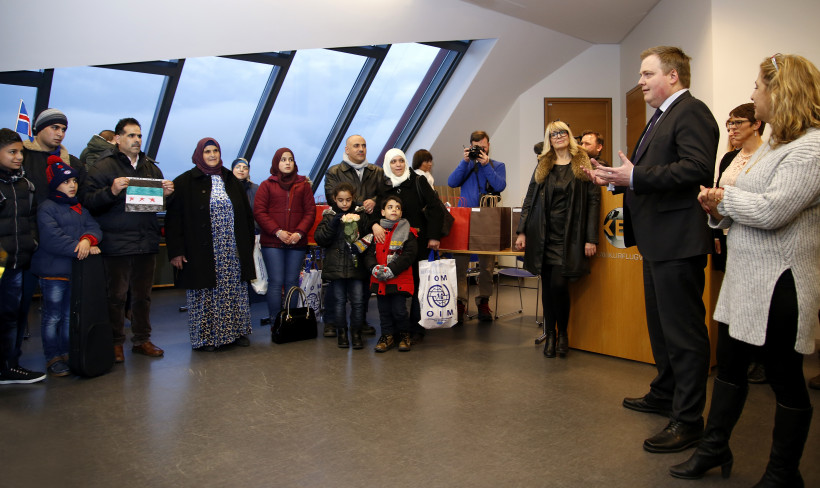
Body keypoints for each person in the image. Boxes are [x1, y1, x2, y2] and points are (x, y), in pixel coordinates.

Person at [670, 53, 820, 486]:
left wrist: (722, 202)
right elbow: (742, 202)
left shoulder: (812, 147)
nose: (753, 95)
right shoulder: (772, 143)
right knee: (731, 368)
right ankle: (714, 449)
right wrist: (719, 209)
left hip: (782, 282)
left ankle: (783, 473)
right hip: (745, 278)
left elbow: (775, 210)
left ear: (781, 91)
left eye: (758, 86)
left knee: (785, 378)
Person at [586, 46, 719, 453]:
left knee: (683, 333)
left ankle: (689, 420)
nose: (640, 82)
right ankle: (665, 392)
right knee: (662, 328)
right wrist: (619, 179)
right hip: (659, 240)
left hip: (678, 240)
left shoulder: (691, 112)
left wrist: (636, 176)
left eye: (647, 74)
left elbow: (697, 169)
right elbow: (647, 174)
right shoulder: (660, 117)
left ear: (673, 76)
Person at [82, 117, 174, 363]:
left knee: (143, 296)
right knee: (116, 296)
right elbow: (88, 202)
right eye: (131, 135)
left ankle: (142, 339)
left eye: (139, 136)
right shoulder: (103, 167)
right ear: (118, 138)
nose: (136, 140)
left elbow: (158, 206)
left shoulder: (150, 167)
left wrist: (167, 195)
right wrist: (110, 191)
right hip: (116, 242)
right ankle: (115, 343)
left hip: (145, 240)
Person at [515, 122, 600, 358]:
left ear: (569, 136)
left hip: (571, 236)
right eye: (554, 134)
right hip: (543, 235)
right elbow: (530, 199)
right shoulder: (544, 165)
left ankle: (563, 333)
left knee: (559, 285)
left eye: (563, 132)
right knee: (548, 287)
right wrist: (521, 231)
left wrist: (591, 238)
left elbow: (594, 201)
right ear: (549, 139)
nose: (559, 136)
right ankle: (550, 335)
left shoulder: (582, 162)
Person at [165, 138, 255, 351]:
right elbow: (173, 220)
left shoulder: (231, 180)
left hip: (231, 250)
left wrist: (247, 246)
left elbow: (246, 216)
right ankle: (206, 337)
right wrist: (176, 251)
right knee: (204, 294)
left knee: (233, 292)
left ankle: (236, 332)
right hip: (200, 251)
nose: (212, 155)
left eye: (215, 150)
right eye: (207, 151)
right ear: (199, 154)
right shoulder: (184, 182)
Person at [30, 156, 102, 375]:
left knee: (69, 315)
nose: (72, 186)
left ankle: (67, 352)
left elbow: (95, 228)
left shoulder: (79, 208)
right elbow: (52, 238)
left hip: (74, 272)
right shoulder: (47, 208)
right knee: (52, 317)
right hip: (53, 273)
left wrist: (88, 240)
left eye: (74, 181)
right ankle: (53, 357)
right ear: (55, 184)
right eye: (66, 181)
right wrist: (80, 247)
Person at [714, 103, 767, 384]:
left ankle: (761, 360)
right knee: (734, 297)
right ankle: (740, 358)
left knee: (757, 300)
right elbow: (718, 192)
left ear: (756, 124)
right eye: (729, 123)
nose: (732, 128)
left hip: (759, 240)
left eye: (737, 123)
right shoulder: (728, 159)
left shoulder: (768, 158)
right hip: (728, 235)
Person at [371, 148, 444, 347]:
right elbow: (376, 211)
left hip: (417, 243)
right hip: (391, 247)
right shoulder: (383, 185)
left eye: (401, 160)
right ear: (388, 164)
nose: (398, 165)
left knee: (417, 286)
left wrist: (434, 236)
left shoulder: (418, 181)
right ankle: (395, 330)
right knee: (394, 285)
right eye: (393, 161)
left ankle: (416, 329)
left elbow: (436, 207)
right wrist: (375, 224)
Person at [322, 135, 384, 336]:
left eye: (364, 145)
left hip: (366, 231)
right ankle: (332, 322)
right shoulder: (334, 172)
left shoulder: (377, 171)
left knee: (362, 281)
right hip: (340, 232)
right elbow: (334, 199)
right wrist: (359, 206)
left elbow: (385, 194)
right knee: (336, 281)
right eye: (356, 146)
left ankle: (361, 321)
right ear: (346, 149)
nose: (361, 149)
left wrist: (374, 201)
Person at [447, 130, 507, 322]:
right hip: (464, 218)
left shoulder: (497, 165)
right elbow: (452, 182)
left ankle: (483, 301)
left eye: (483, 145)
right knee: (460, 264)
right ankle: (460, 302)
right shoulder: (466, 165)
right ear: (470, 146)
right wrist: (464, 162)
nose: (480, 149)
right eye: (476, 146)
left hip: (487, 219)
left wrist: (485, 164)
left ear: (488, 146)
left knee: (487, 266)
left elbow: (499, 186)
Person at [0, 128, 44, 384]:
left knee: (12, 315)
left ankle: (10, 365)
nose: (18, 157)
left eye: (20, 152)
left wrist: (32, 243)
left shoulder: (25, 185)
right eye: (12, 152)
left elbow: (31, 220)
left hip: (18, 262)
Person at [254, 147, 315, 321]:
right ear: (276, 163)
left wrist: (299, 233)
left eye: (290, 159)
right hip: (272, 242)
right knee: (275, 281)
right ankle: (275, 322)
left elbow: (309, 212)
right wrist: (278, 232)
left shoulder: (303, 185)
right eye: (283, 159)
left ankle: (290, 320)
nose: (288, 163)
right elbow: (259, 212)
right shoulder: (267, 185)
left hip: (297, 242)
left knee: (292, 281)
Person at [314, 182, 371, 349]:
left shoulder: (360, 214)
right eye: (341, 200)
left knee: (358, 302)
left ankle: (356, 333)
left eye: (348, 200)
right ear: (334, 199)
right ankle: (342, 333)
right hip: (336, 266)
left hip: (357, 266)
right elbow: (321, 239)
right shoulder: (329, 216)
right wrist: (333, 224)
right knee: (338, 302)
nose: (344, 204)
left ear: (353, 198)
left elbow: (368, 236)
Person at [364, 196, 418, 352]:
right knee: (384, 311)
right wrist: (373, 267)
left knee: (399, 311)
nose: (394, 210)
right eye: (390, 207)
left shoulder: (409, 232)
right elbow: (368, 253)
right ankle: (387, 336)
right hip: (379, 279)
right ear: (382, 212)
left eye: (397, 207)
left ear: (401, 213)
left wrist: (392, 269)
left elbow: (409, 255)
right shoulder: (376, 231)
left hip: (399, 279)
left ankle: (403, 335)